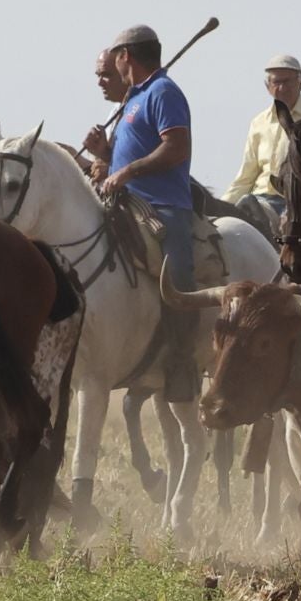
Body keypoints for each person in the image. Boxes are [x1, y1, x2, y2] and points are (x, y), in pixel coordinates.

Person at [98, 24, 201, 400]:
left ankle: (181, 361)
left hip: (162, 206)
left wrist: (128, 172)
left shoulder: (163, 92)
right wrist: (104, 154)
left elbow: (176, 148)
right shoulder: (134, 97)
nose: (113, 64)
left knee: (178, 278)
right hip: (122, 203)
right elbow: (127, 155)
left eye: (115, 57)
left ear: (125, 55)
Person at [221, 54, 301, 217]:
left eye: (287, 82)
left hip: (297, 204)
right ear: (267, 86)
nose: (281, 88)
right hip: (258, 200)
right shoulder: (259, 122)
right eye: (276, 82)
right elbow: (246, 175)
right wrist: (221, 208)